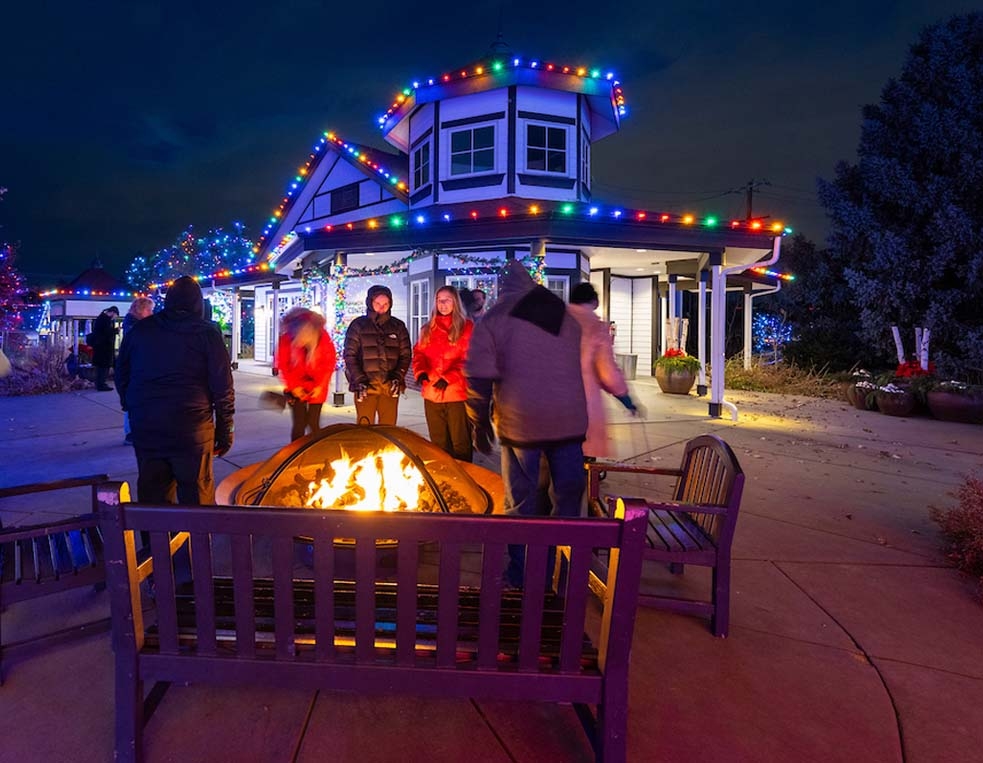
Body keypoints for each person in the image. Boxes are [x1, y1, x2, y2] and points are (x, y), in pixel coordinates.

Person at [465, 261, 588, 588]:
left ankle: (523, 575)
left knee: (521, 502)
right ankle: (566, 573)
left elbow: (477, 379)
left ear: (500, 287)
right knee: (567, 500)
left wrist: (478, 427)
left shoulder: (494, 319)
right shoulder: (564, 314)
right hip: (570, 424)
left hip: (523, 425)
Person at [115, 276, 235, 505]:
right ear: (198, 304)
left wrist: (131, 406)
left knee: (153, 497)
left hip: (147, 426)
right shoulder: (207, 333)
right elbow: (223, 386)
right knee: (197, 497)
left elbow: (122, 373)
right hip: (192, 428)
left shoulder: (141, 330)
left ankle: (156, 541)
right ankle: (197, 540)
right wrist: (225, 429)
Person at [568, 282, 640, 459]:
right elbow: (607, 372)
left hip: (551, 398)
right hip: (584, 399)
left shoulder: (555, 319)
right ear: (594, 301)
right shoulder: (596, 327)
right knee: (582, 450)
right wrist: (625, 397)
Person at [412, 286, 475, 462]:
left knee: (460, 442)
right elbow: (419, 353)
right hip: (432, 393)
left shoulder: (466, 328)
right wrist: (421, 372)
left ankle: (464, 478)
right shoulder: (428, 328)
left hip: (456, 394)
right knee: (438, 442)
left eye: (447, 299)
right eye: (439, 299)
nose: (443, 304)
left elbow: (469, 358)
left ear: (455, 301)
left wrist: (449, 378)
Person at [343, 284, 411, 426]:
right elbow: (350, 356)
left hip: (389, 389)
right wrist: (360, 379)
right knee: (365, 428)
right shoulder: (358, 326)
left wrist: (398, 377)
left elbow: (405, 355)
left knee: (388, 429)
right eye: (378, 303)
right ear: (370, 303)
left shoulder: (398, 326)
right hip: (366, 389)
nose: (382, 307)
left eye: (385, 303)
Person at [276, 307, 336, 441]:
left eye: (302, 338)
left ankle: (315, 452)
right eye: (297, 339)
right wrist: (294, 387)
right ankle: (296, 454)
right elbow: (284, 366)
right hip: (296, 387)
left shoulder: (323, 339)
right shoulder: (286, 339)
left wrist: (319, 386)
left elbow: (328, 365)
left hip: (317, 386)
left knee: (313, 422)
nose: (300, 342)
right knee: (299, 424)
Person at [121, 297, 155, 444]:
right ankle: (131, 434)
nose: (151, 313)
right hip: (134, 368)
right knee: (133, 402)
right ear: (141, 310)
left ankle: (135, 432)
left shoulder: (133, 324)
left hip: (136, 367)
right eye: (149, 310)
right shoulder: (134, 327)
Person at [89, 306, 119, 390]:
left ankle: (99, 383)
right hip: (104, 348)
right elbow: (106, 333)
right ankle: (102, 384)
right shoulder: (106, 320)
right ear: (113, 312)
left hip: (100, 347)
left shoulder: (101, 318)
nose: (115, 317)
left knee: (100, 367)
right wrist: (115, 331)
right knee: (104, 367)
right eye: (116, 315)